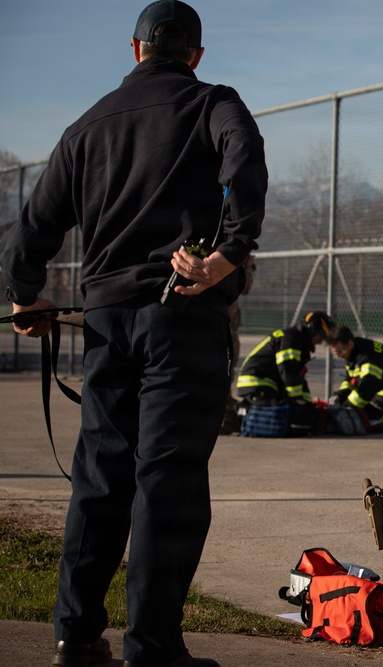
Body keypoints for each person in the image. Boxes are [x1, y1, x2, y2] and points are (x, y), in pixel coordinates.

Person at [0, 2, 267, 666]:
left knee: (100, 476)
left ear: (135, 48)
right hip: (182, 313)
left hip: (105, 321)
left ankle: (75, 632)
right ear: (196, 56)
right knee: (167, 481)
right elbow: (246, 160)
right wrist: (227, 255)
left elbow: (31, 225)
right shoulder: (215, 104)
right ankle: (153, 644)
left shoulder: (88, 126)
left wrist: (25, 294)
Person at [236, 310, 333, 432]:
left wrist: (308, 403)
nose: (320, 342)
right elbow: (289, 373)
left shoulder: (296, 341)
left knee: (304, 415)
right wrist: (299, 401)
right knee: (290, 417)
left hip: (263, 385)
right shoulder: (290, 340)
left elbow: (298, 378)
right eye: (321, 336)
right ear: (312, 329)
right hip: (258, 384)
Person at [326, 325, 383, 434]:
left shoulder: (368, 357)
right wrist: (340, 396)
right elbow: (351, 380)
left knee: (364, 418)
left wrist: (346, 407)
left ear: (350, 344)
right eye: (335, 353)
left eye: (340, 352)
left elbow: (366, 390)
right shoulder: (355, 351)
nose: (338, 356)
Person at [220, 253, 255, 435]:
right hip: (227, 328)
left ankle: (226, 417)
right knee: (226, 372)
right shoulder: (228, 260)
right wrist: (248, 267)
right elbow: (245, 287)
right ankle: (225, 419)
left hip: (221, 325)